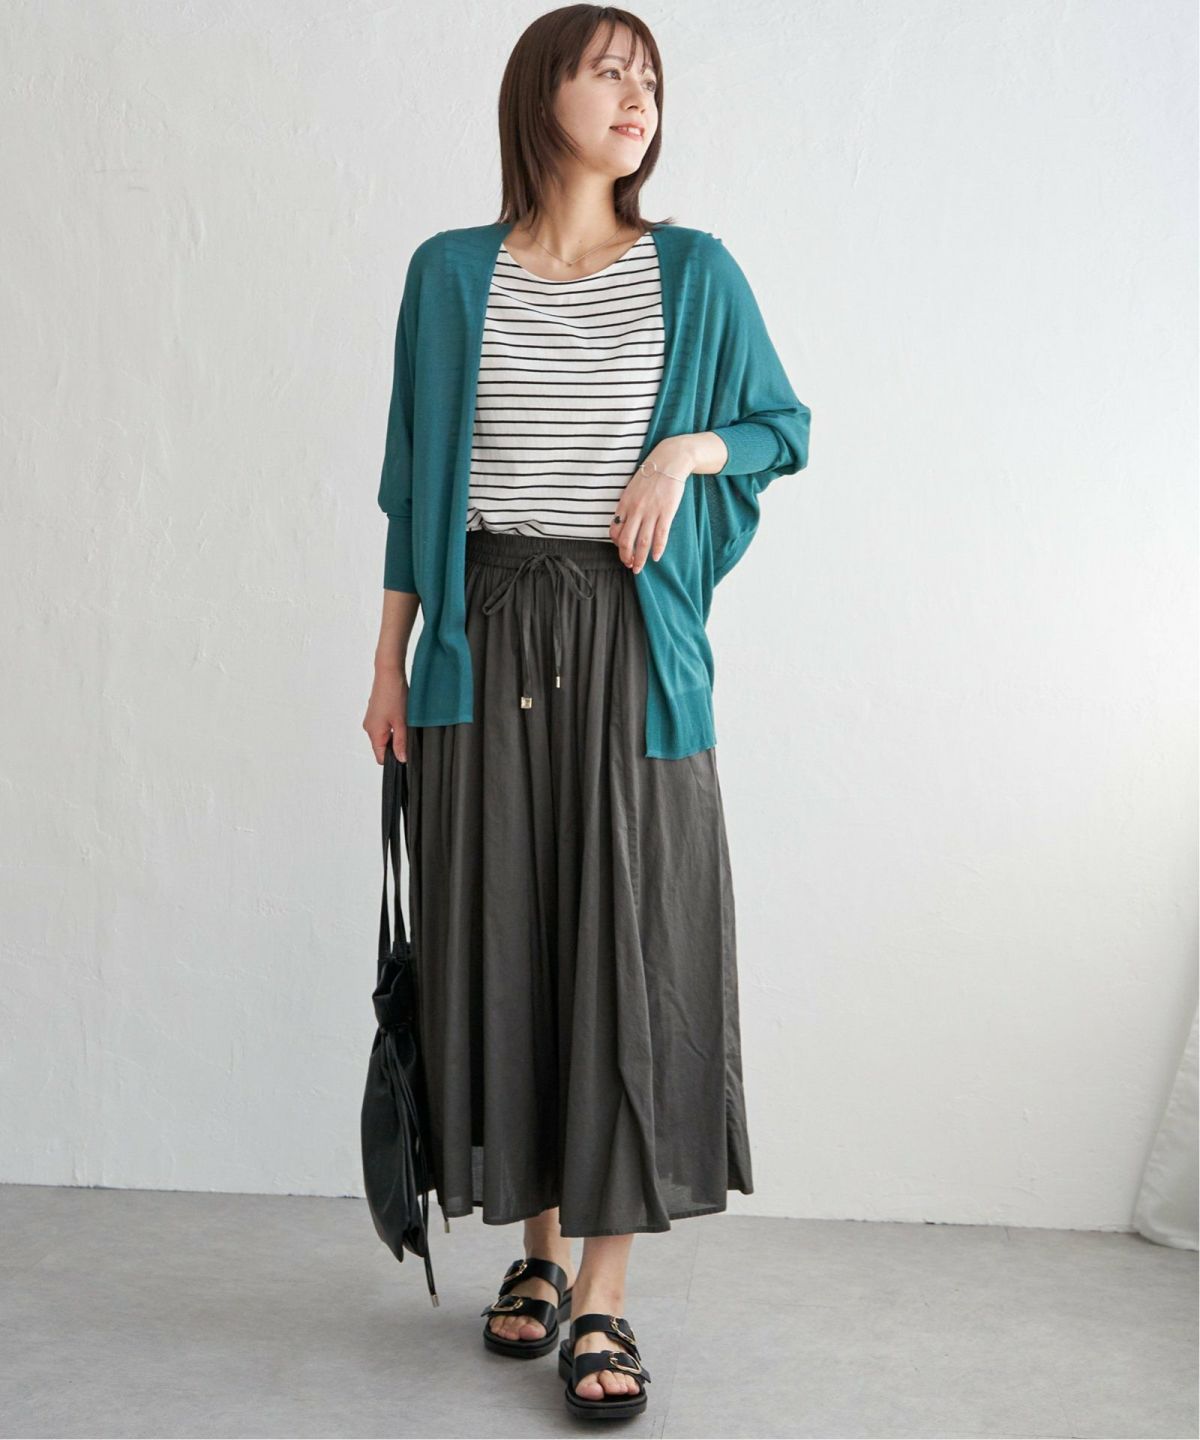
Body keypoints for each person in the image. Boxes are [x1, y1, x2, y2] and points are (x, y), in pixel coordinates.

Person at [362, 4, 811, 1420]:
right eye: (608, 71)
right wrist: (389, 663)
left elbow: (783, 428)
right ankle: (539, 1255)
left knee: (629, 953)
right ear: (537, 93)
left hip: (632, 651)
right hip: (480, 639)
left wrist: (688, 449)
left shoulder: (696, 271)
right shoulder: (448, 275)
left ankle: (604, 1297)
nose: (637, 97)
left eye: (651, 80)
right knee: (510, 947)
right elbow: (412, 482)